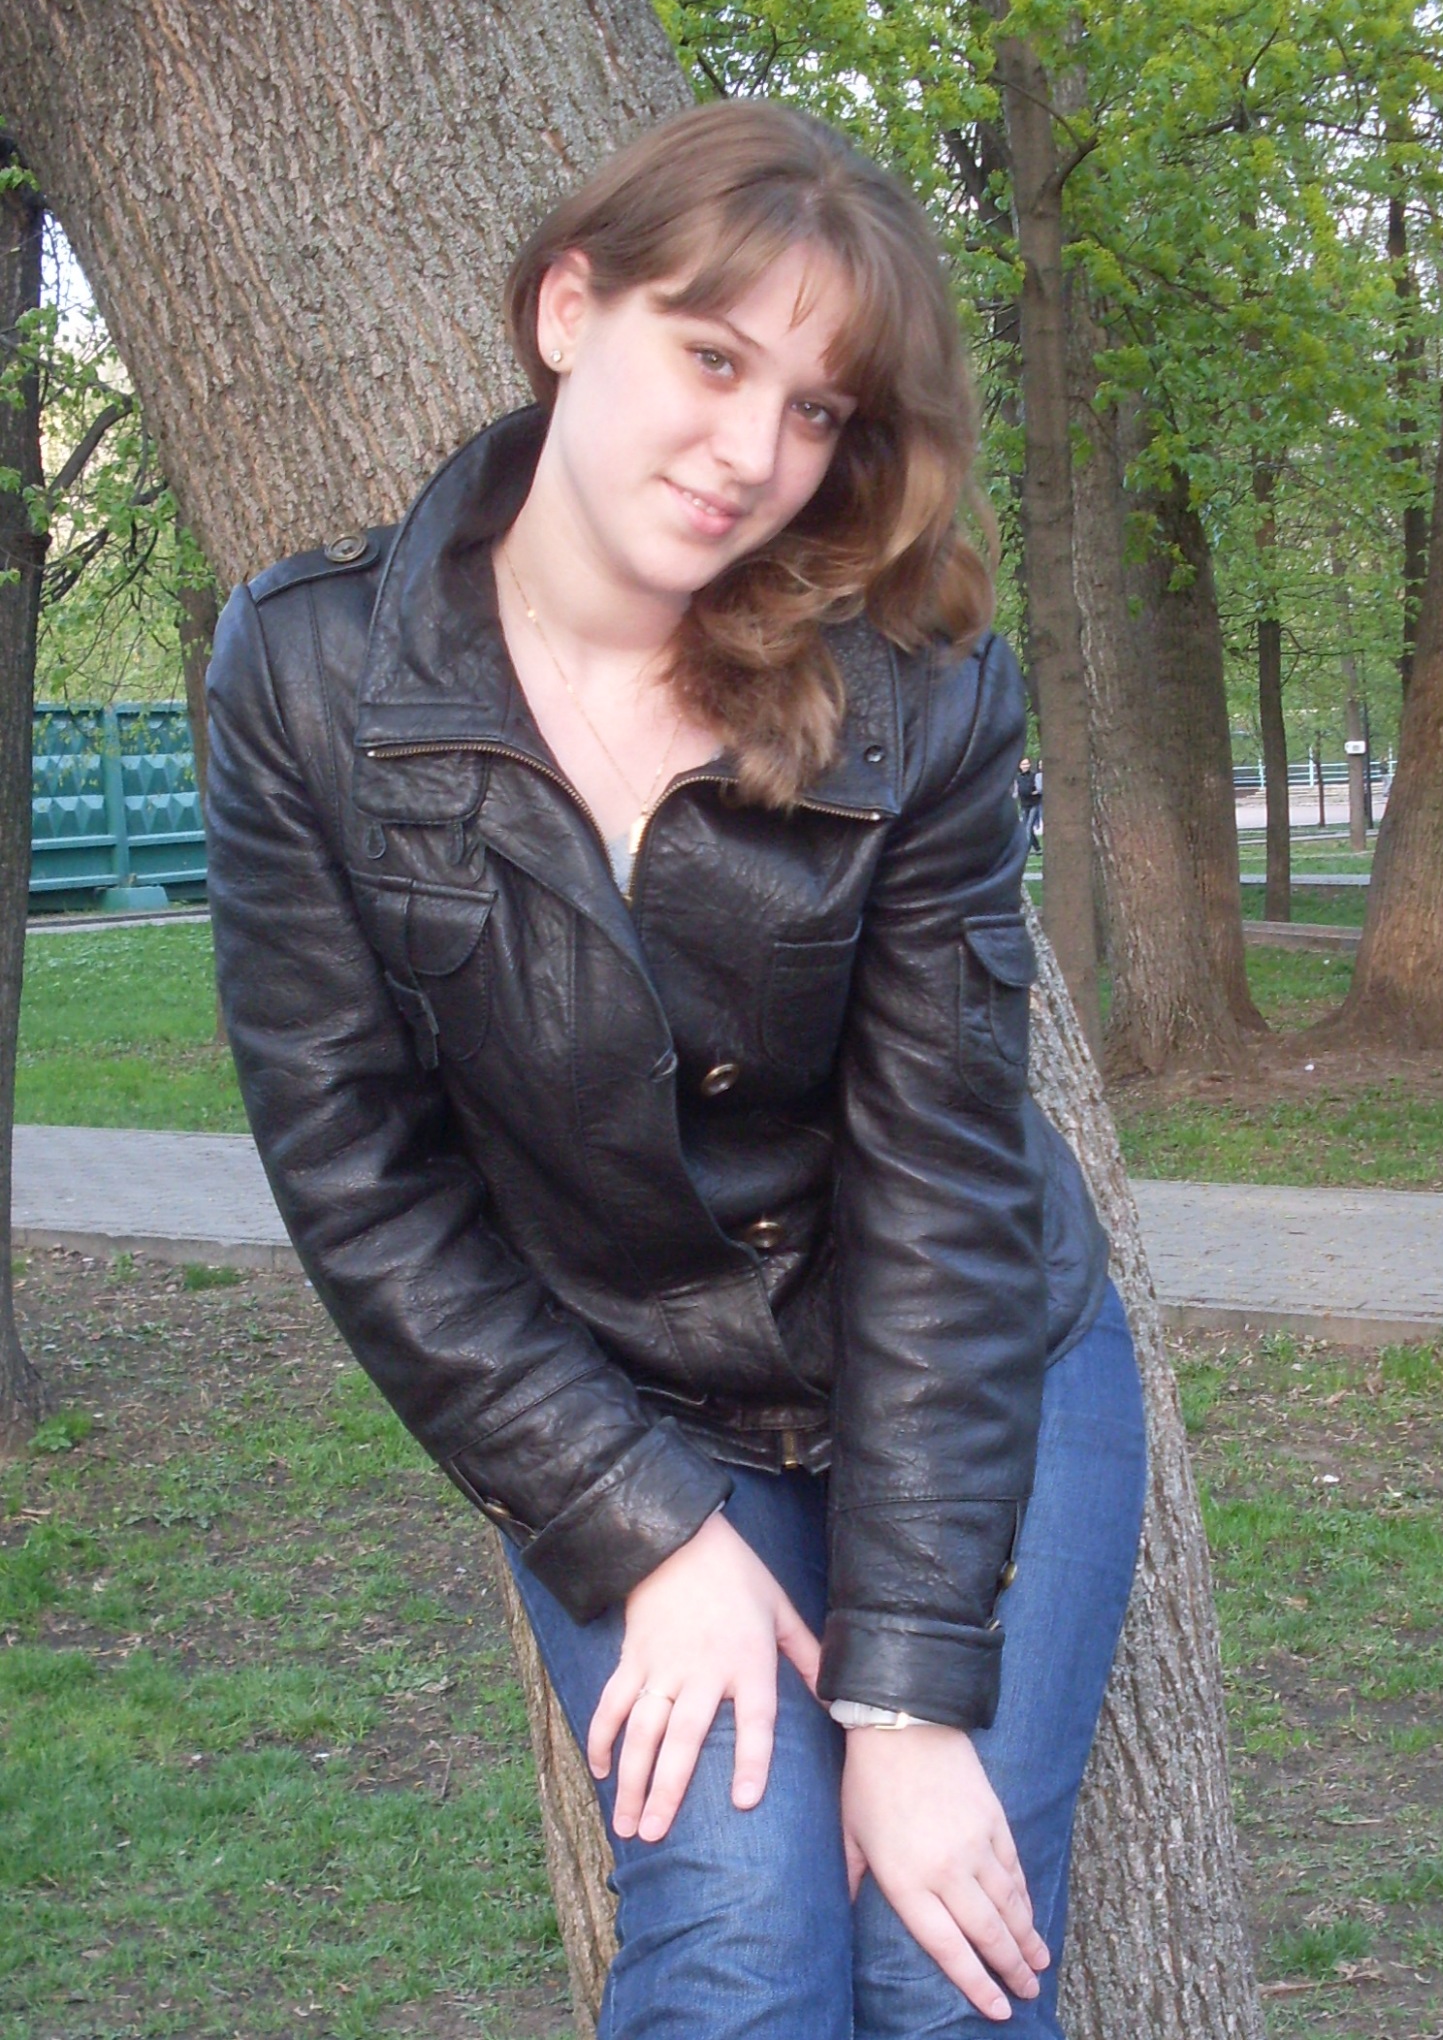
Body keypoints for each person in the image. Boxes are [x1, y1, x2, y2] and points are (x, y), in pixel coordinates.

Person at [204, 99, 1146, 2039]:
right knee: (741, 1950)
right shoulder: (308, 679)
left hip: (966, 1367)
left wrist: (905, 1699)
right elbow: (362, 1183)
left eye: (814, 410)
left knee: (937, 1961)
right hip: (623, 1397)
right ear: (571, 308)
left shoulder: (918, 684)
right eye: (712, 357)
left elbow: (944, 1187)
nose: (749, 455)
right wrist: (641, 1526)